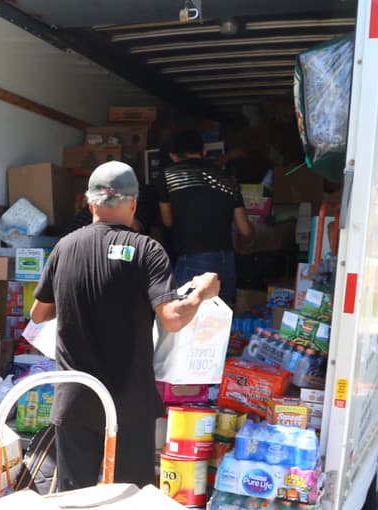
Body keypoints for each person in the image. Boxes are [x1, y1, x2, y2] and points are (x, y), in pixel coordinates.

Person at [31, 162, 220, 490]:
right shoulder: (147, 250)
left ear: (90, 204)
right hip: (128, 402)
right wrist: (202, 292)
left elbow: (38, 313)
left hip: (75, 397)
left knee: (73, 501)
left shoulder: (64, 248)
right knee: (130, 504)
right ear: (133, 204)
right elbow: (173, 318)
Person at [157, 128, 253, 308]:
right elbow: (245, 230)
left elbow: (167, 221)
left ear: (173, 156)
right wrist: (247, 241)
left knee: (186, 323)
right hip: (227, 261)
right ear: (204, 152)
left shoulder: (168, 176)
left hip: (194, 261)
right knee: (220, 325)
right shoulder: (227, 178)